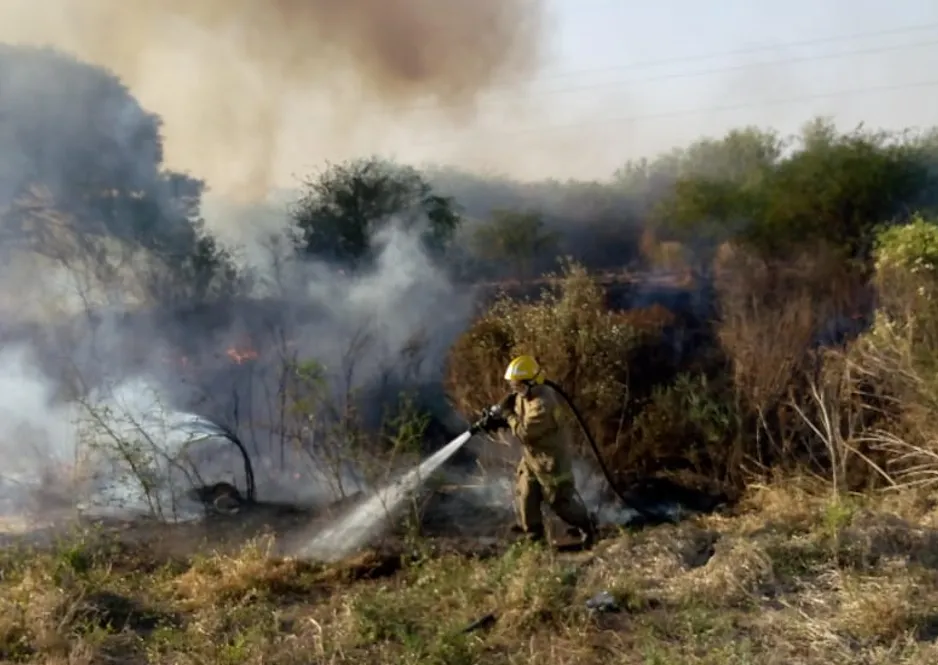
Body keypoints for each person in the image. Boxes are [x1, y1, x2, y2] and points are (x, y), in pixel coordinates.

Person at [480, 355, 597, 548]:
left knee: (559, 502)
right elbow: (517, 414)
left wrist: (507, 415)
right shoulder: (525, 395)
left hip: (551, 461)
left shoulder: (543, 404)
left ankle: (587, 525)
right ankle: (535, 540)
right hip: (531, 457)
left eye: (518, 385)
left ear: (532, 382)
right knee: (526, 496)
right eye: (513, 386)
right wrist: (497, 418)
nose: (515, 390)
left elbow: (525, 432)